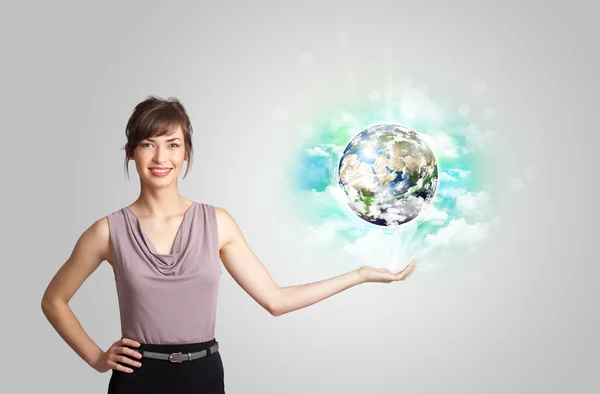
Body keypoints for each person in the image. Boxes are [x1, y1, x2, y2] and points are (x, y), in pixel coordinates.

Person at [40, 96, 417, 393]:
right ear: (132, 153)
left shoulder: (217, 222)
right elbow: (54, 300)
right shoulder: (107, 231)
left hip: (203, 377)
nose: (160, 157)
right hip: (138, 380)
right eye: (147, 144)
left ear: (186, 153)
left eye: (172, 144)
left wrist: (359, 275)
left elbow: (276, 300)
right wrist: (95, 358)